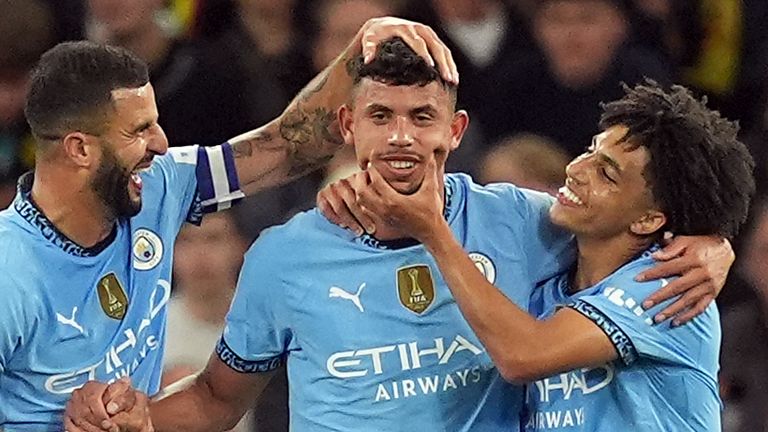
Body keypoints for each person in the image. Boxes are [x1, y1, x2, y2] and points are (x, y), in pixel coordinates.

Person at [69, 38, 732, 432]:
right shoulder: (284, 256)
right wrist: (140, 419)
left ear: (456, 130)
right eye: (380, 115)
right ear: (347, 127)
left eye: (423, 117)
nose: (400, 138)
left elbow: (638, 233)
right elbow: (218, 398)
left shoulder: (534, 224)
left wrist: (711, 241)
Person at [0, 17, 457, 430]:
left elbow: (287, 147)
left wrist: (362, 49)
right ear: (80, 150)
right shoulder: (10, 274)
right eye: (139, 131)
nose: (161, 143)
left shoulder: (162, 184)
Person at [344, 80, 754, 430]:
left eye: (606, 173)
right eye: (591, 150)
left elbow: (523, 357)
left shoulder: (670, 286)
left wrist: (432, 230)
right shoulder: (548, 285)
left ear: (648, 220)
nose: (577, 169)